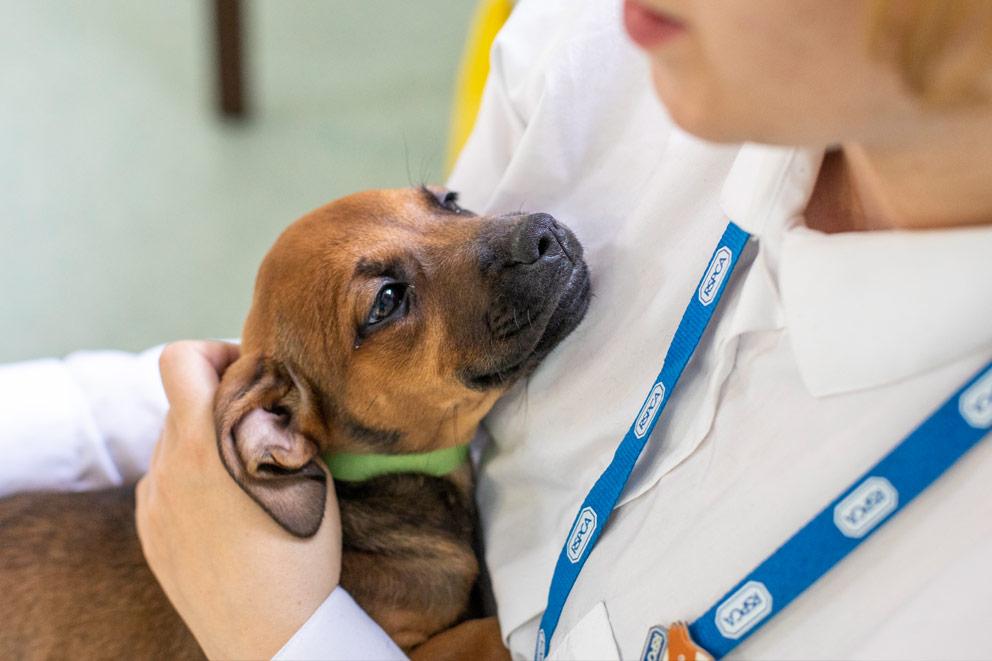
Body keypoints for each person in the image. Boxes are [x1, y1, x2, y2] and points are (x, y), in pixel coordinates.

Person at [2, 0, 991, 658]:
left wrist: (284, 632)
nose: (509, 234)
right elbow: (282, 381)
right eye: (444, 201)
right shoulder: (604, 41)